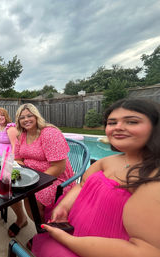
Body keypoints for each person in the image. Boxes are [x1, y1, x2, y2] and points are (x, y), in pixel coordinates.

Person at [32, 99, 160, 257]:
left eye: (132, 122)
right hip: (75, 230)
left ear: (155, 127)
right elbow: (81, 185)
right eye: (112, 122)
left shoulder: (153, 178)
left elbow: (147, 250)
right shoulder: (106, 162)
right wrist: (64, 207)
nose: (118, 127)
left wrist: (67, 240)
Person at [8, 103, 75, 238]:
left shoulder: (49, 133)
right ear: (18, 121)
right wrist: (26, 175)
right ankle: (22, 219)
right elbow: (18, 158)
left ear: (36, 116)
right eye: (22, 117)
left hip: (55, 178)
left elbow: (59, 167)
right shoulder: (22, 135)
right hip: (30, 175)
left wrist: (32, 181)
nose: (26, 119)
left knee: (32, 198)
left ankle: (44, 231)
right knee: (8, 188)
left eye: (29, 116)